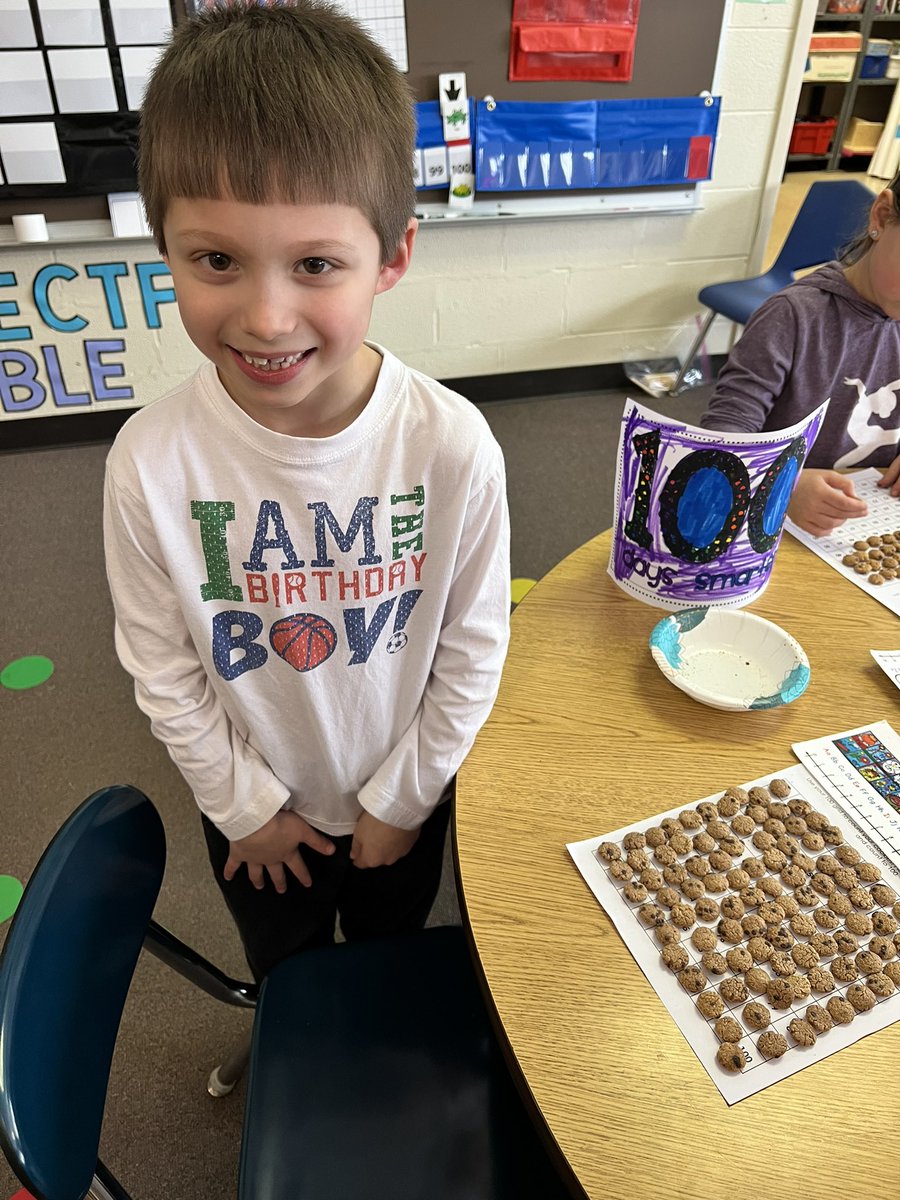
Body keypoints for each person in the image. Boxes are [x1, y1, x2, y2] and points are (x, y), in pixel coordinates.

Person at [103, 0, 510, 981]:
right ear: (167, 250)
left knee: (388, 969)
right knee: (283, 973)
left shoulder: (451, 445)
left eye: (316, 264)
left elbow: (472, 647)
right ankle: (286, 1043)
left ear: (394, 257)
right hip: (250, 809)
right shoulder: (151, 464)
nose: (267, 315)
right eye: (216, 260)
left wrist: (400, 803)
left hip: (399, 797)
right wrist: (247, 810)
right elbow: (164, 670)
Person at [699, 176, 900, 537]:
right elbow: (721, 440)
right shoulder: (793, 316)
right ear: (882, 218)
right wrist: (782, 487)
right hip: (772, 525)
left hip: (871, 524)